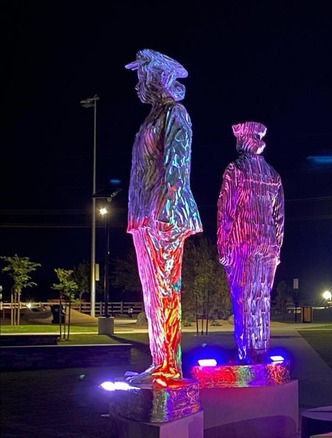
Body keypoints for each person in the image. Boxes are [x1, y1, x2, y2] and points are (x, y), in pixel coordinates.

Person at [125, 49, 203, 385]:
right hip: (144, 215)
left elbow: (177, 165)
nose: (137, 84)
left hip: (163, 216)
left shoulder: (175, 114)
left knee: (165, 292)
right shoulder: (154, 117)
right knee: (152, 294)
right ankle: (160, 363)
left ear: (157, 78)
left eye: (141, 77)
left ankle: (168, 368)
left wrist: (164, 210)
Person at [217, 121, 284, 364]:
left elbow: (226, 210)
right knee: (262, 298)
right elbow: (279, 218)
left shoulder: (236, 169)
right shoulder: (273, 174)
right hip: (268, 245)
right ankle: (261, 351)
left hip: (242, 243)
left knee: (243, 298)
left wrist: (223, 246)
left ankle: (246, 355)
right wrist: (277, 248)